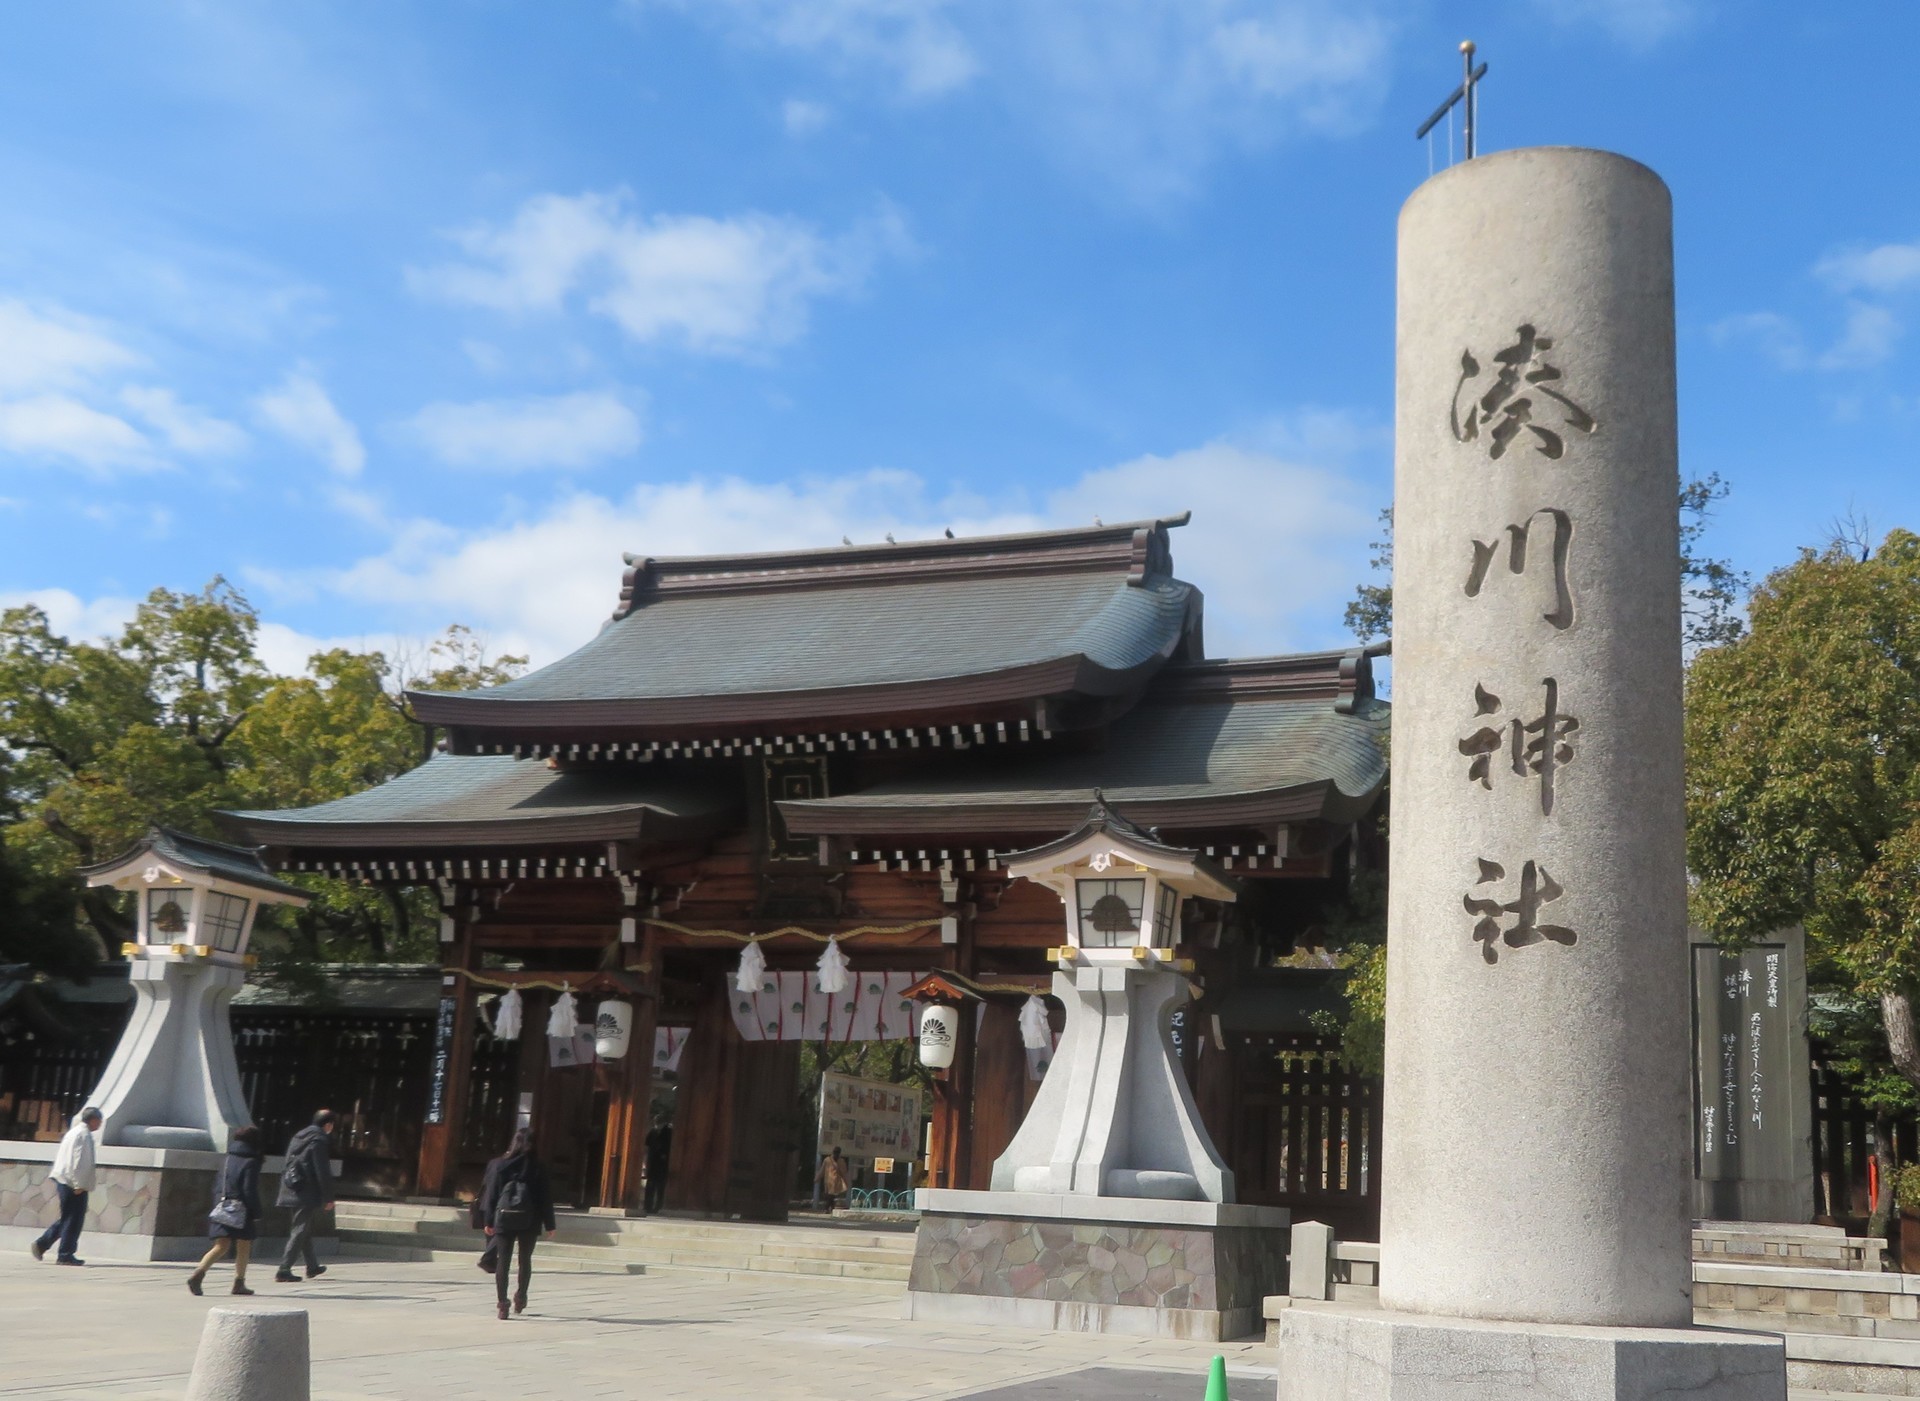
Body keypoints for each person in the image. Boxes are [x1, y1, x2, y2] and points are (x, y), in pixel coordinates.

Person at [477, 1127, 555, 1320]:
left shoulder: (500, 1165)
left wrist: (488, 1220)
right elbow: (546, 1198)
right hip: (530, 1219)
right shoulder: (538, 1167)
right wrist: (550, 1223)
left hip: (504, 1217)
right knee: (525, 1260)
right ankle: (521, 1296)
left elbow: (492, 1195)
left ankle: (502, 1304)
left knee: (503, 1260)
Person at [187, 1125, 264, 1296]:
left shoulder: (227, 1159)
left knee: (220, 1246)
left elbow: (217, 1186)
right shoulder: (251, 1161)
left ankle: (198, 1274)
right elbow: (249, 1189)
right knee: (244, 1245)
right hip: (241, 1208)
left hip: (223, 1206)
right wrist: (256, 1211)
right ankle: (239, 1282)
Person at [30, 1106, 102, 1266]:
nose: (100, 1124)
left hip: (67, 1180)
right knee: (73, 1219)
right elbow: (77, 1162)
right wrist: (78, 1185)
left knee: (68, 1217)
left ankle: (42, 1244)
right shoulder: (83, 1135)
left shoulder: (76, 1132)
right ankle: (65, 1254)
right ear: (93, 1120)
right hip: (72, 1182)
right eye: (99, 1120)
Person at [274, 1109, 336, 1283]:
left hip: (290, 1187)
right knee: (300, 1229)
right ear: (328, 1125)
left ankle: (312, 1266)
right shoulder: (319, 1140)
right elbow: (322, 1170)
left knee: (303, 1228)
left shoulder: (298, 1136)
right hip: (306, 1191)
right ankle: (284, 1269)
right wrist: (329, 1197)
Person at [642, 1116, 672, 1214]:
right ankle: (647, 1206)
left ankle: (658, 1207)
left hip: (663, 1163)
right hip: (653, 1162)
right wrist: (645, 1162)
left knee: (660, 1186)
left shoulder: (668, 1132)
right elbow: (647, 1147)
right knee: (650, 1185)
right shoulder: (652, 1132)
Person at [814, 1145, 849, 1210]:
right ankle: (830, 1208)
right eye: (835, 1152)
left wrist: (845, 1181)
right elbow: (822, 1170)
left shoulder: (841, 1161)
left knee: (831, 1195)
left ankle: (828, 1208)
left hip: (835, 1182)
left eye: (837, 1153)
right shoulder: (827, 1160)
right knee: (830, 1195)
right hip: (829, 1182)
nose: (836, 1154)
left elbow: (844, 1172)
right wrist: (817, 1178)